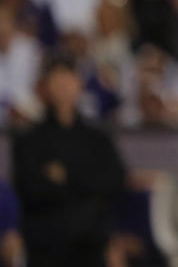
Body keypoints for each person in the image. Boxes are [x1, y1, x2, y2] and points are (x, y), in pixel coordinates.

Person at [12, 57, 126, 267]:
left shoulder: (99, 139)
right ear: (44, 87)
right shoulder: (29, 141)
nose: (63, 85)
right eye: (56, 79)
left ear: (79, 83)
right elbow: (31, 189)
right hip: (45, 248)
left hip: (92, 246)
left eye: (68, 77)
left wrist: (66, 175)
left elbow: (113, 182)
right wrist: (85, 178)